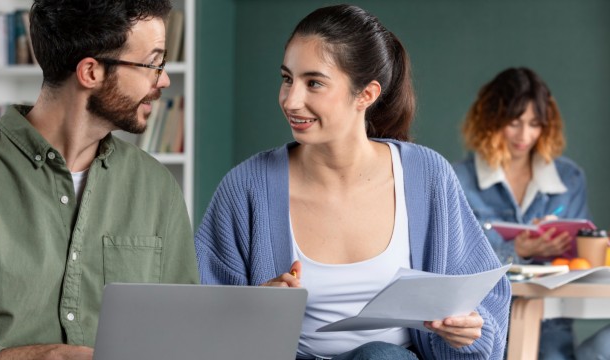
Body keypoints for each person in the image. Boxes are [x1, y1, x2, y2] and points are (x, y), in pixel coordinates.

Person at [195, 4, 510, 359]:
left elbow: (485, 303)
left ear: (367, 94)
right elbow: (204, 321)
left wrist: (467, 330)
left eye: (313, 83)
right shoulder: (246, 188)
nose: (291, 99)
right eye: (287, 79)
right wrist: (258, 310)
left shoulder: (428, 176)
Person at [0, 1, 198, 359]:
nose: (163, 80)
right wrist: (30, 357)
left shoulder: (157, 188)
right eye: (153, 63)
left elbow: (182, 332)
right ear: (90, 72)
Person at [452, 67, 591, 359]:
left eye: (535, 123)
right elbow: (455, 260)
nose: (524, 135)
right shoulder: (458, 179)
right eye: (514, 123)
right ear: (490, 119)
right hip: (484, 321)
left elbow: (581, 261)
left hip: (551, 321)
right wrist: (514, 249)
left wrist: (563, 245)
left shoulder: (570, 178)